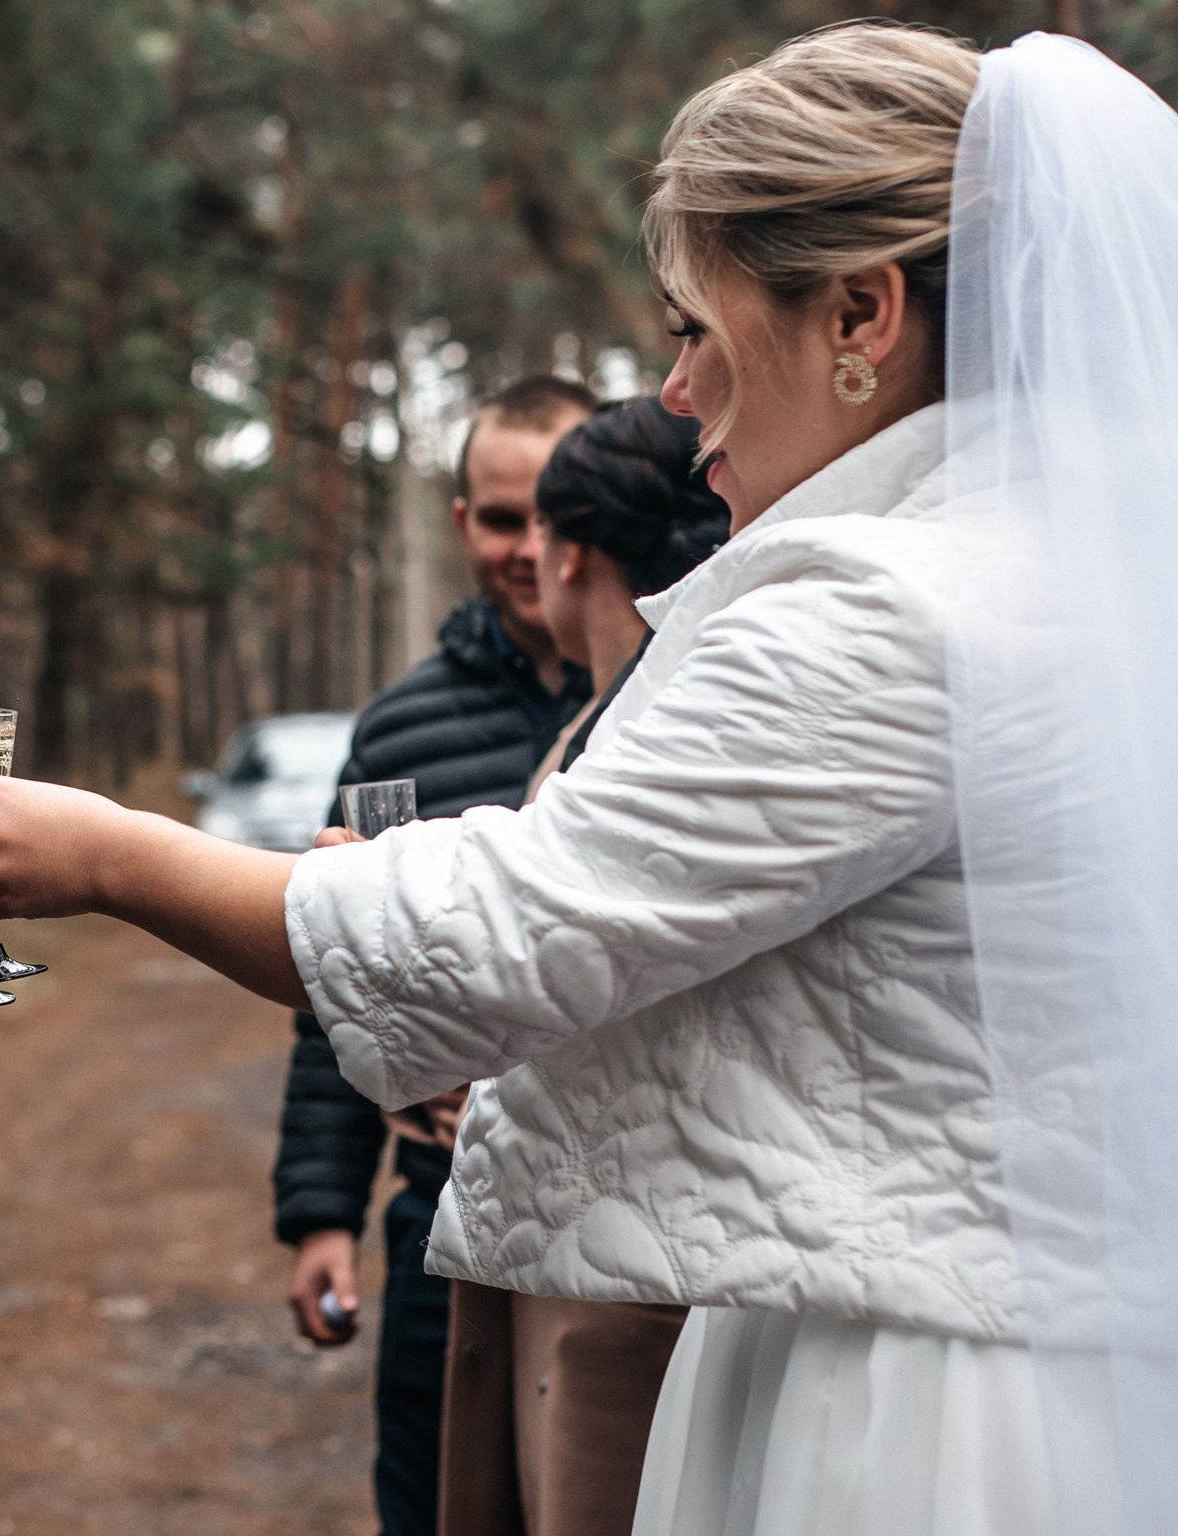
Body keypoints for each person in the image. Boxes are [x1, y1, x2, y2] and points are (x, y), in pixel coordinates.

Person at [0, 21, 1131, 1534]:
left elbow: (512, 929)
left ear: (859, 314)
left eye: (694, 328)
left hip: (908, 1397)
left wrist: (110, 854)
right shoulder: (1063, 566)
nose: (676, 392)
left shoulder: (893, 607)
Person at [274, 376, 596, 1536]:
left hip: (617, 1222)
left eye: (554, 516)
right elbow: (334, 970)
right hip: (438, 1222)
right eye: (502, 518)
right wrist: (320, 1211)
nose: (529, 548)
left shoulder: (668, 703)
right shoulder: (399, 724)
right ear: (463, 522)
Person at [436, 398, 725, 1536]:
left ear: (571, 553)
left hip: (620, 1278)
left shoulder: (643, 741)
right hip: (569, 1246)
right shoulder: (609, 719)